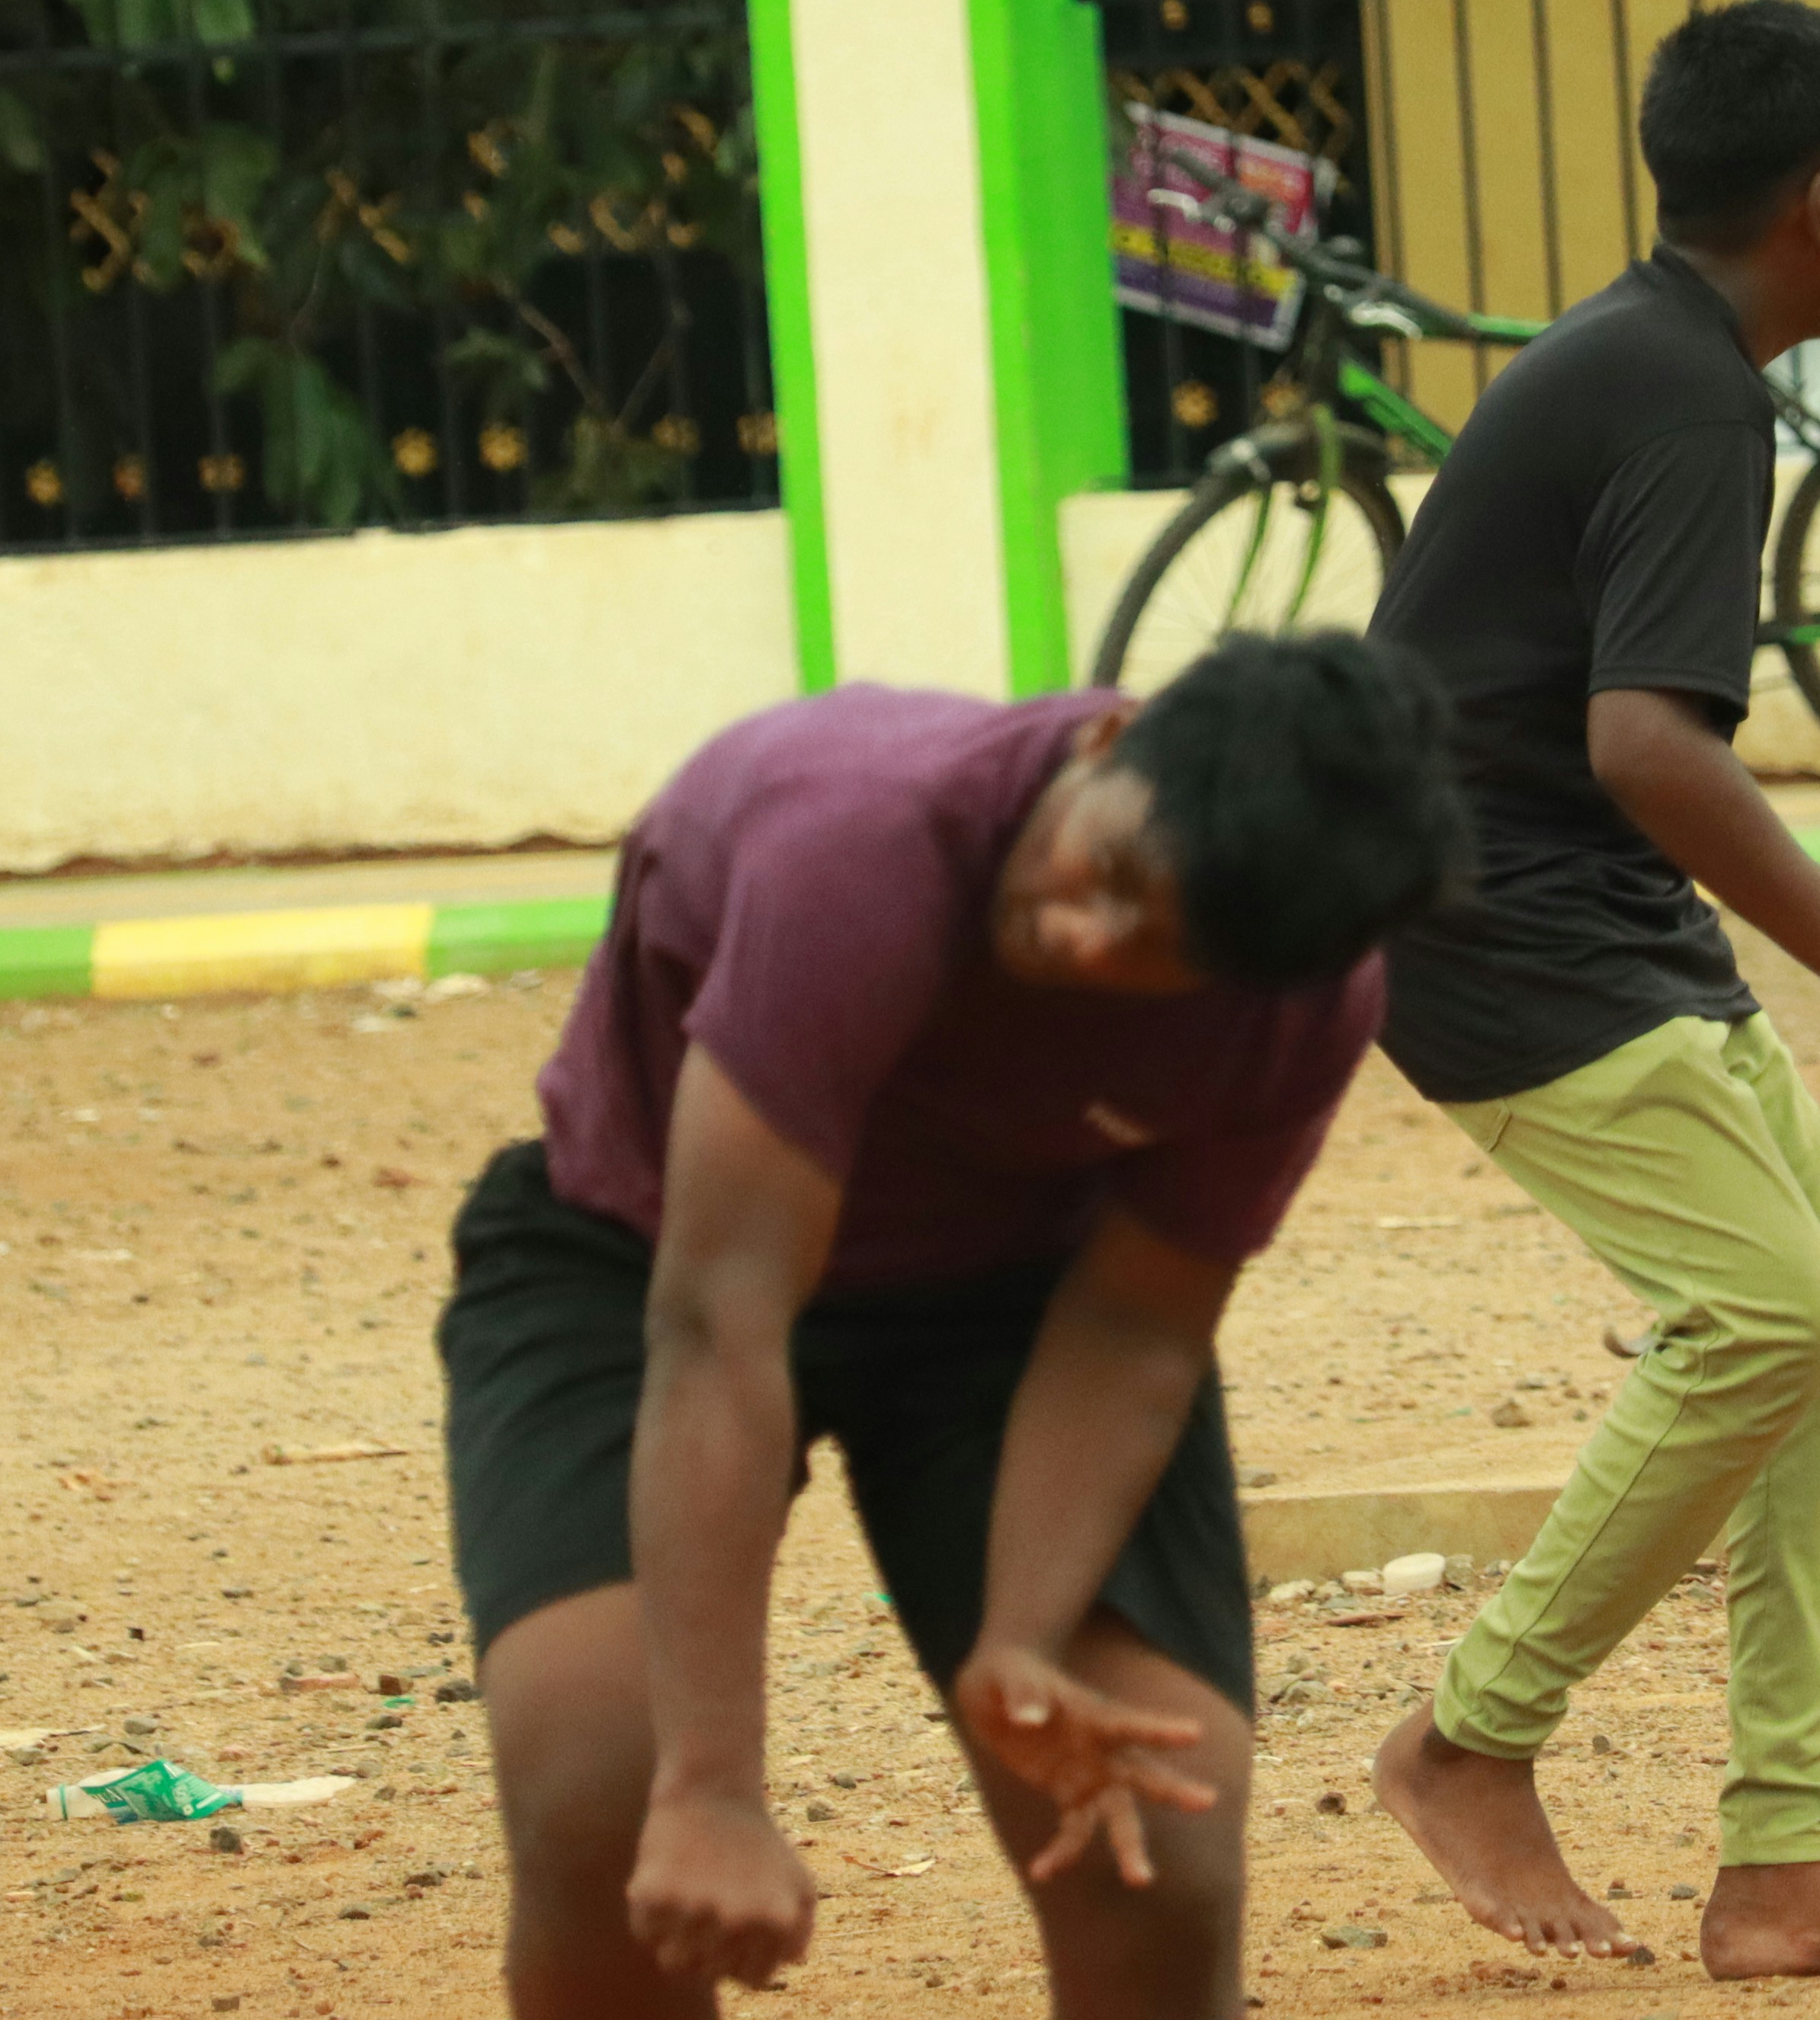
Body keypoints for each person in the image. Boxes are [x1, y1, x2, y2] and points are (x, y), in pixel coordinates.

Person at [443, 639, 1476, 2018]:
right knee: (601, 1798)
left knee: (1151, 1852)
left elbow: (1132, 1331)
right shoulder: (856, 849)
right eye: (1109, 877)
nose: (1086, 941)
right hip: (642, 1252)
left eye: (1167, 960)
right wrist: (711, 1786)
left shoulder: (1295, 1000)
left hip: (1009, 1301)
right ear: (1109, 742)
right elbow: (717, 1317)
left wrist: (1024, 1640)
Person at [1361, 0, 1820, 1981]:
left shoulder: (1655, 355)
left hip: (1593, 922)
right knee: (1765, 1313)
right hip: (1489, 933)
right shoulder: (1679, 393)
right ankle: (1470, 1737)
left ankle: (1787, 1865)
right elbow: (1648, 744)